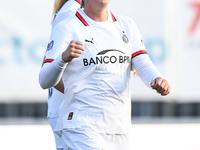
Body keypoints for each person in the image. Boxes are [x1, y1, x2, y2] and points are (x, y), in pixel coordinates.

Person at [39, 0, 171, 149]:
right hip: (81, 125)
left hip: (118, 126)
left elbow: (143, 63)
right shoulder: (68, 21)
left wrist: (158, 79)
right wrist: (63, 61)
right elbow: (45, 78)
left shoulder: (126, 25)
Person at [42, 0, 82, 149]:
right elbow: (48, 67)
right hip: (69, 112)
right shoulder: (72, 11)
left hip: (70, 111)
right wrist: (87, 97)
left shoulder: (73, 8)